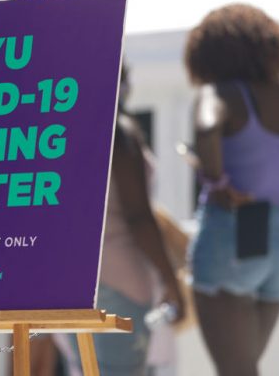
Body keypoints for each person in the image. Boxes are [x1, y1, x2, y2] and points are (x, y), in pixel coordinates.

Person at [185, 4, 279, 376]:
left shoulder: (220, 93)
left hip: (228, 233)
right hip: (276, 241)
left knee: (236, 370)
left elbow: (208, 126)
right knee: (245, 368)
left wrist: (218, 182)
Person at [67, 63, 185, 376]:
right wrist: (171, 281)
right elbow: (139, 218)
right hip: (121, 281)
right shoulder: (119, 131)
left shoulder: (67, 129)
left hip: (78, 281)